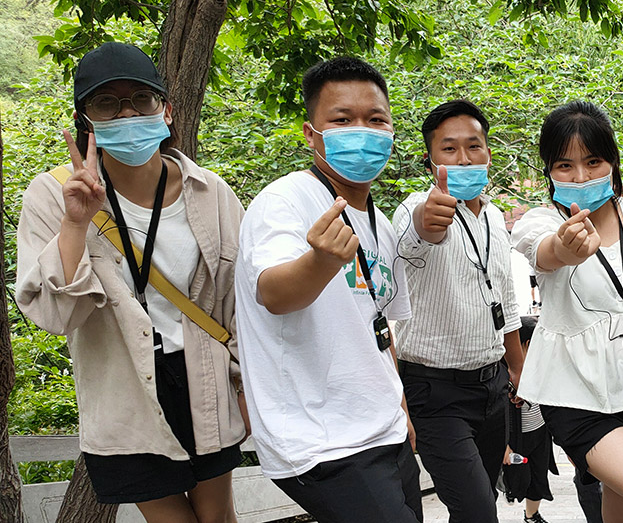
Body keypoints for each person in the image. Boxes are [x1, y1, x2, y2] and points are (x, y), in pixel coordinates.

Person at [15, 42, 246, 521]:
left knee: (219, 517)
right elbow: (56, 316)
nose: (127, 113)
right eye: (107, 103)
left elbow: (237, 303)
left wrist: (245, 386)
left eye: (141, 98)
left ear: (166, 109)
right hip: (122, 389)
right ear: (84, 120)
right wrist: (75, 223)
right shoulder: (51, 195)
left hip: (205, 379)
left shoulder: (212, 193)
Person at [234, 57, 421, 522]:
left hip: (386, 431)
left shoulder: (378, 223)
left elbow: (379, 327)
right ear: (310, 133)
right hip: (322, 441)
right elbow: (274, 294)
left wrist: (400, 408)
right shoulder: (285, 201)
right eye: (342, 119)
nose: (362, 131)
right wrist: (320, 262)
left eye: (375, 119)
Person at [512, 101, 623, 523]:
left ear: (612, 161)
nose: (580, 176)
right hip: (576, 395)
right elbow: (548, 252)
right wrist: (565, 248)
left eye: (593, 162)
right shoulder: (539, 222)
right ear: (548, 170)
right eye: (565, 165)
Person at [392, 99, 525, 522]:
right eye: (449, 149)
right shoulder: (416, 208)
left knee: (480, 502)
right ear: (430, 160)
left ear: (488, 153)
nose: (464, 158)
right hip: (435, 393)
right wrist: (425, 222)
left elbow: (505, 298)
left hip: (492, 388)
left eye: (474, 146)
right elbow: (412, 238)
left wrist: (517, 368)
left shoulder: (494, 217)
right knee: (478, 512)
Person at [502, 316, 556, 523]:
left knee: (539, 477)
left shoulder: (541, 367)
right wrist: (504, 445)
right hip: (516, 437)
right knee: (517, 478)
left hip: (540, 433)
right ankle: (509, 492)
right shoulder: (504, 373)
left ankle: (532, 515)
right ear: (526, 343)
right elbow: (498, 414)